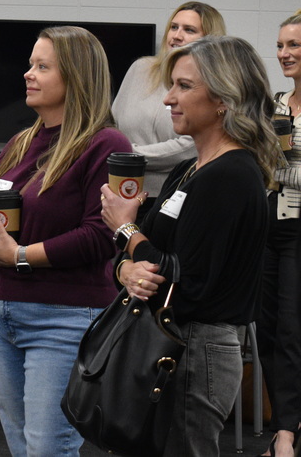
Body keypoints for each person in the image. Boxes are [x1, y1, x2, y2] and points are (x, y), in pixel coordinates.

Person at [101, 35, 280, 457]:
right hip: (169, 341)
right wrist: (123, 270)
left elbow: (187, 281)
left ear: (223, 98)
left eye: (184, 86)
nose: (168, 98)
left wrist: (126, 231)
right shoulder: (189, 169)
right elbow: (142, 256)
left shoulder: (233, 176)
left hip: (198, 351)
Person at [0, 25, 130, 457]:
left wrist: (19, 255)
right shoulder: (22, 141)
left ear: (76, 77)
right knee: (23, 447)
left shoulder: (105, 144)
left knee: (48, 449)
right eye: (30, 64)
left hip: (62, 316)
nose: (29, 73)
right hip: (3, 311)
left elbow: (102, 234)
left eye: (43, 67)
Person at [112, 1, 225, 210]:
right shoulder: (140, 68)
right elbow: (112, 122)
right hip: (120, 188)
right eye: (174, 27)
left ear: (209, 40)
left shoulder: (212, 84)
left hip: (170, 195)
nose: (177, 36)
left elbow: (190, 147)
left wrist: (126, 155)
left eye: (189, 30)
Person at [257, 11, 301, 457]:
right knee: (267, 328)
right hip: (270, 224)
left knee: (291, 330)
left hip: (300, 230)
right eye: (282, 44)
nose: (284, 53)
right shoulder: (277, 102)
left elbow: (279, 172)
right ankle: (286, 423)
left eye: (295, 46)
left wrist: (282, 174)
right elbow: (263, 163)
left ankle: (285, 432)